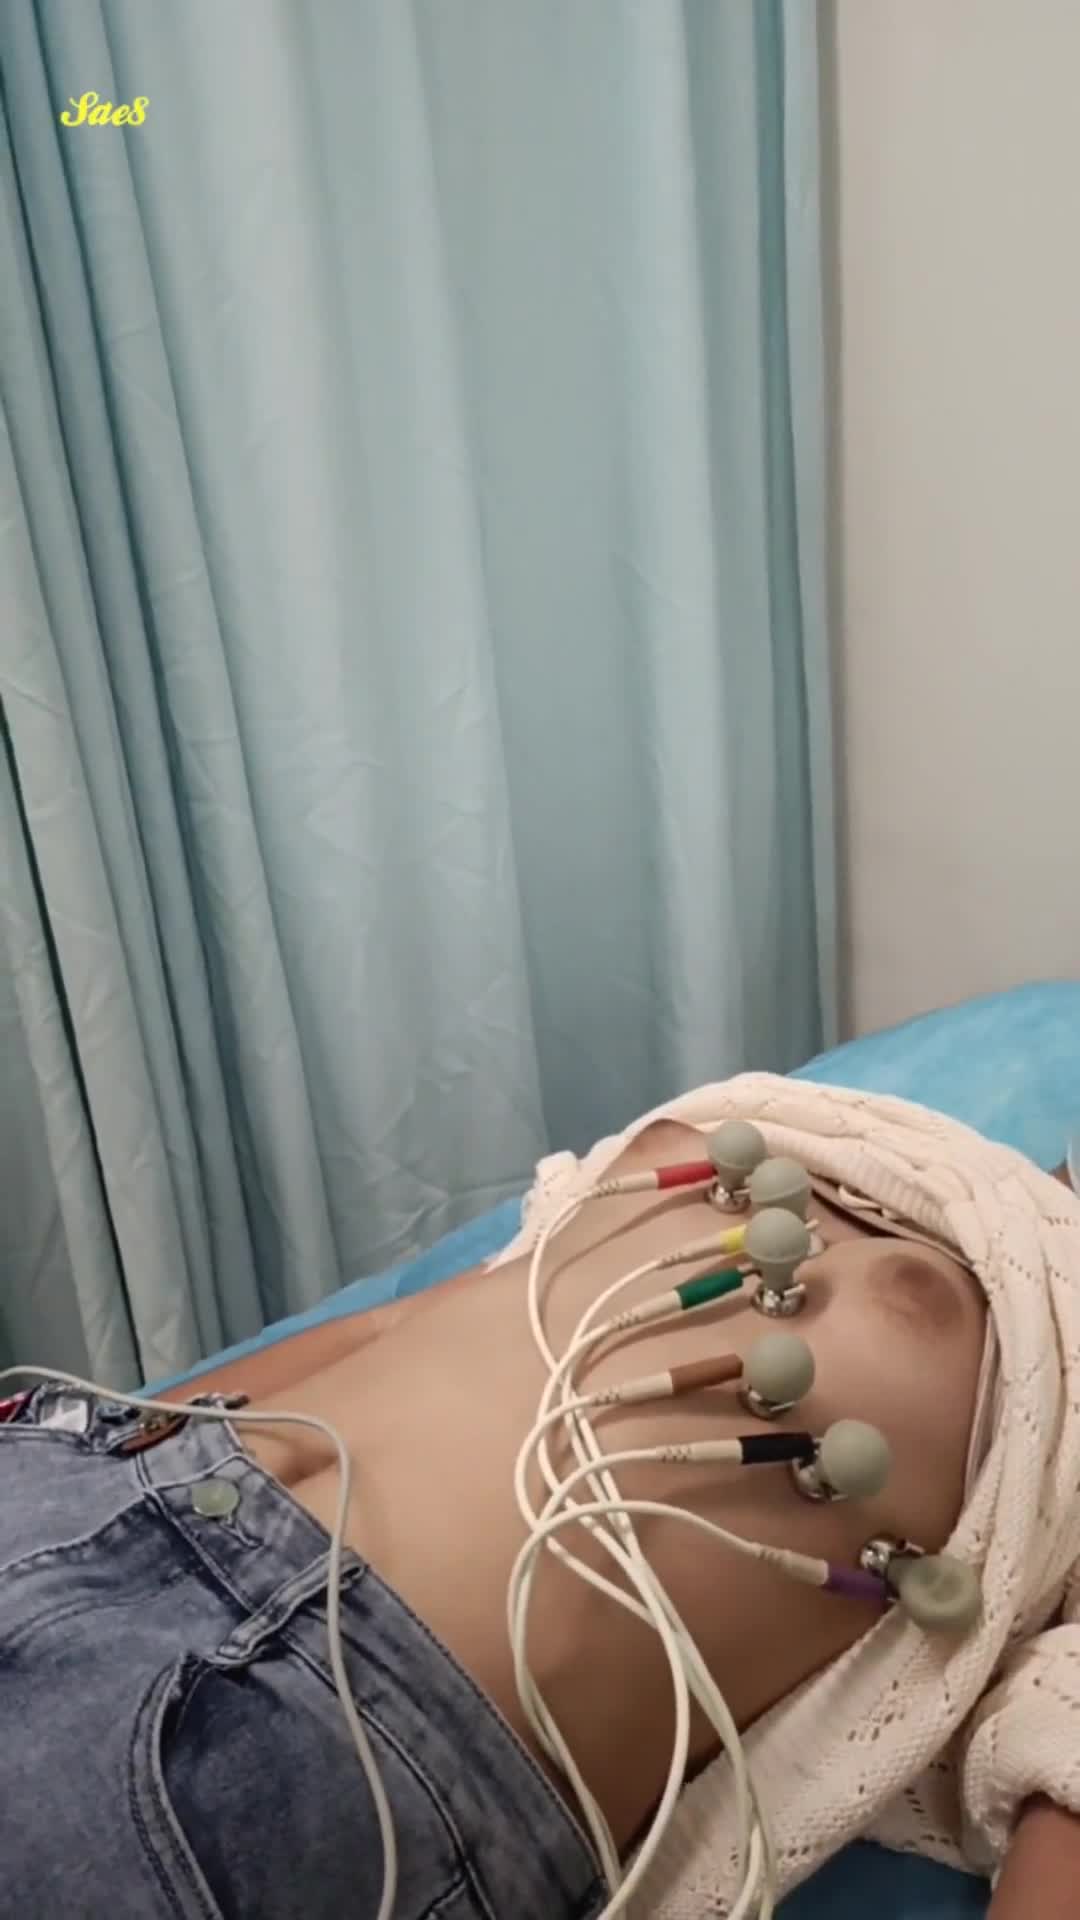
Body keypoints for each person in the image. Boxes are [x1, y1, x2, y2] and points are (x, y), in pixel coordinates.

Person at [3, 1074, 1080, 1918]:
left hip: (339, 1721)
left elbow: (1067, 1745)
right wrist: (110, 1437)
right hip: (90, 1476)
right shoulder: (837, 1125)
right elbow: (411, 1324)